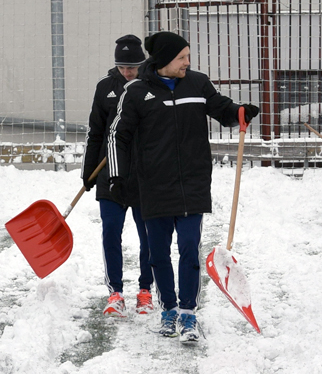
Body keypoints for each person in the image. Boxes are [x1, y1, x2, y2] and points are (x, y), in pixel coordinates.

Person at [107, 31, 259, 342]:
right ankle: (169, 311)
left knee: (190, 249)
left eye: (188, 56)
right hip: (153, 185)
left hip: (193, 182)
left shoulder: (198, 84)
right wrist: (118, 177)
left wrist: (238, 113)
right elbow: (117, 136)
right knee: (159, 253)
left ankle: (188, 313)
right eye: (182, 58)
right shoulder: (136, 92)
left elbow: (221, 108)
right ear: (163, 61)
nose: (188, 63)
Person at [81, 35, 153, 317]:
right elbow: (95, 132)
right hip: (108, 171)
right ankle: (115, 293)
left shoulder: (151, 87)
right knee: (111, 231)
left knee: (147, 234)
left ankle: (145, 290)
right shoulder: (105, 88)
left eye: (133, 66)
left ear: (142, 63)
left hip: (143, 174)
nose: (127, 72)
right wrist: (88, 170)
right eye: (122, 67)